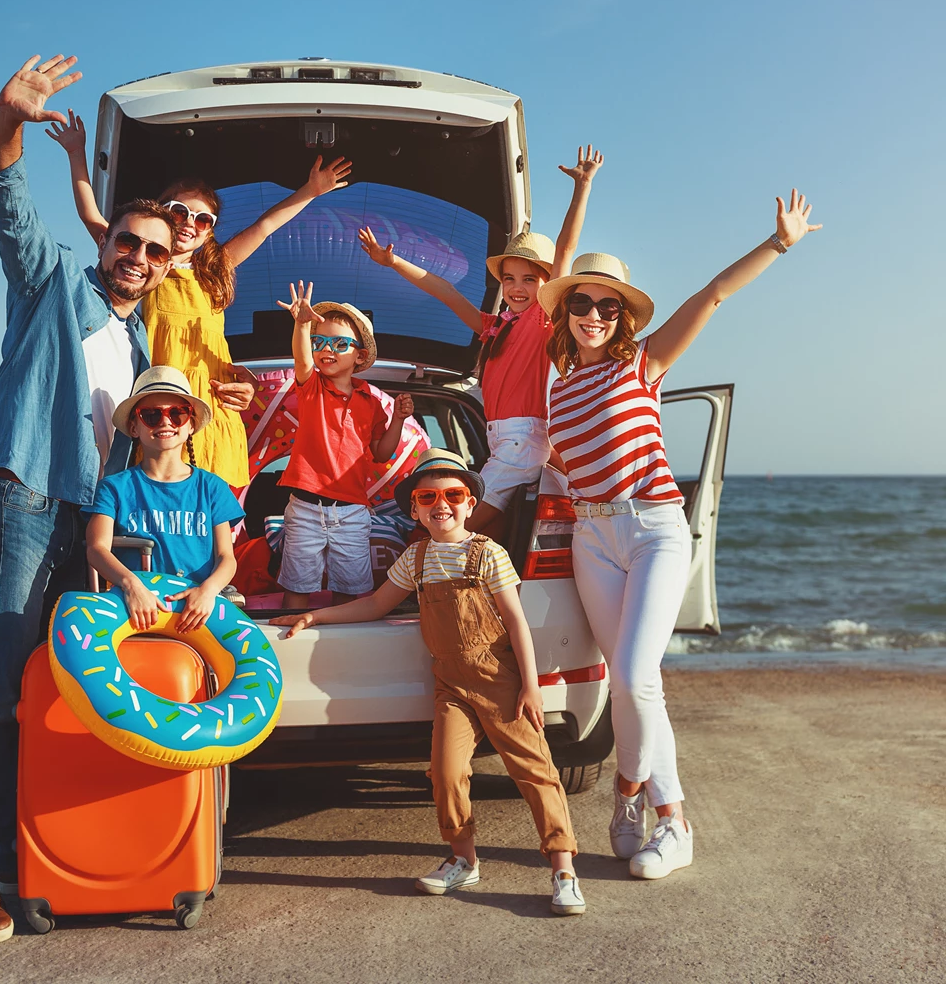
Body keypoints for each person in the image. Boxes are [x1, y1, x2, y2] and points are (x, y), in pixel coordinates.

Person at [0, 54, 177, 945]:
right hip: (28, 495)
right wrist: (9, 118)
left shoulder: (138, 329)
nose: (140, 258)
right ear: (104, 238)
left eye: (155, 250)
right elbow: (5, 196)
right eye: (129, 242)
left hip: (90, 518)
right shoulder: (52, 283)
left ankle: (25, 841)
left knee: (59, 688)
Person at [539, 189, 822, 880]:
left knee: (636, 678)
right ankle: (639, 803)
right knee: (635, 683)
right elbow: (560, 468)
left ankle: (663, 812)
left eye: (609, 306)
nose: (596, 315)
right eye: (583, 303)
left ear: (624, 317)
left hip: (656, 530)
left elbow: (712, 295)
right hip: (591, 541)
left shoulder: (642, 364)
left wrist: (778, 243)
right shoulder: (557, 390)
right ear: (565, 311)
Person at [270, 450, 585, 915]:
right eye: (428, 497)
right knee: (445, 773)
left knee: (534, 770)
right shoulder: (415, 558)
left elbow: (516, 621)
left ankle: (563, 871)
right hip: (451, 687)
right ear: (414, 509)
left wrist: (531, 685)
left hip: (500, 680)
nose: (442, 504)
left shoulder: (488, 552)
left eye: (453, 495)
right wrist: (314, 615)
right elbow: (375, 606)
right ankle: (463, 859)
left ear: (470, 503)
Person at [47, 111, 352, 487]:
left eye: (203, 219)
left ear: (209, 232)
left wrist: (312, 191)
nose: (191, 223)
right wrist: (76, 154)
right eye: (180, 212)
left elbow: (266, 225)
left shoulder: (214, 271)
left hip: (214, 409)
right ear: (162, 215)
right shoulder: (143, 267)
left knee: (212, 523)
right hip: (161, 412)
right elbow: (90, 214)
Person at [357, 146, 604, 536]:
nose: (518, 288)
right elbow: (446, 292)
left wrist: (583, 187)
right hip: (503, 441)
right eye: (509, 279)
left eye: (529, 279)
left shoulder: (544, 317)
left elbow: (566, 249)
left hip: (521, 442)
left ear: (546, 285)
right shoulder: (495, 326)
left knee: (444, 530)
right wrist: (393, 262)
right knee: (481, 533)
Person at [273, 281, 413, 608]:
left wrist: (398, 420)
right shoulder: (311, 388)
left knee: (350, 592)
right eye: (319, 342)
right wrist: (302, 325)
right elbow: (301, 358)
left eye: (339, 343)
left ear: (360, 355)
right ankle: (293, 645)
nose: (327, 350)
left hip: (352, 512)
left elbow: (381, 453)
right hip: (305, 507)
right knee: (296, 587)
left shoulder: (372, 402)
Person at [87, 366, 245, 631]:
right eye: (150, 415)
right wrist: (132, 586)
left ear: (191, 424)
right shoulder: (113, 488)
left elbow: (226, 557)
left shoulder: (212, 487)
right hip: (134, 611)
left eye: (177, 413)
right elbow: (96, 549)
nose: (165, 422)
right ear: (134, 427)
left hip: (196, 611)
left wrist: (208, 592)